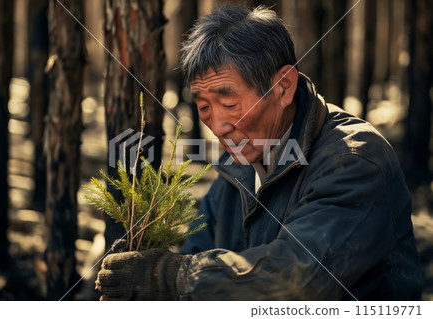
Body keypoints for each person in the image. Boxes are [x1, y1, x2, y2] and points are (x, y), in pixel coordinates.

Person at [96, 5, 422, 301]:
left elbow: (298, 280)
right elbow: (199, 250)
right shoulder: (237, 166)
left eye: (229, 104)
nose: (218, 125)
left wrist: (170, 276)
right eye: (205, 106)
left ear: (283, 87)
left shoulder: (354, 161)